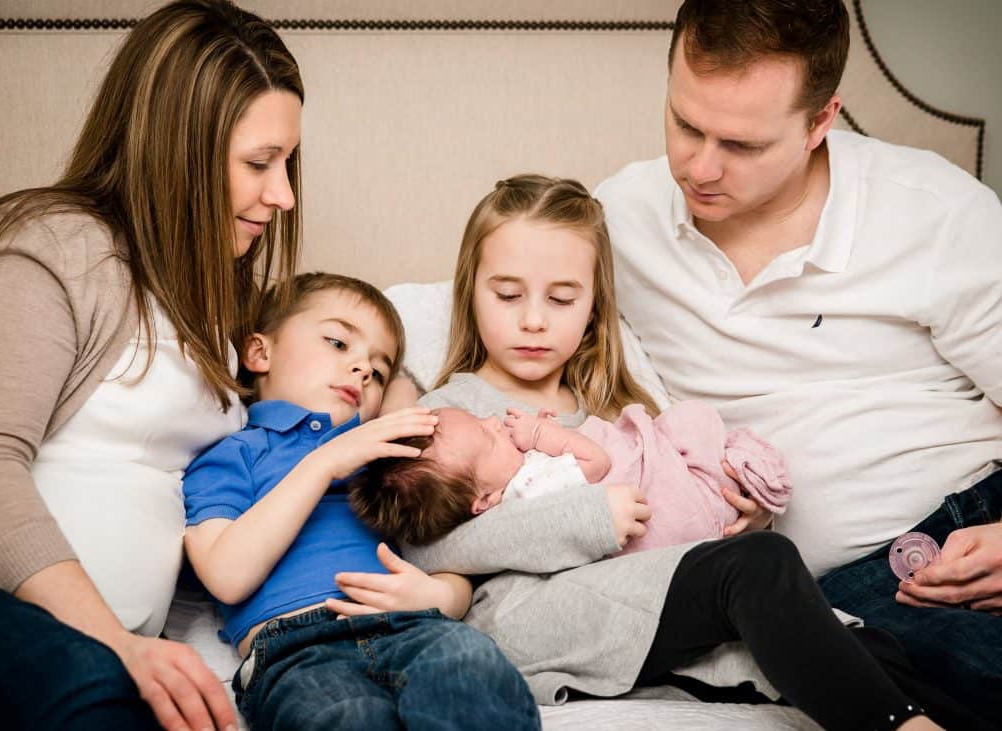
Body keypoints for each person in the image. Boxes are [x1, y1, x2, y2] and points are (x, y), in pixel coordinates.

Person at [334, 174, 991, 730]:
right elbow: (416, 537)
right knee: (758, 568)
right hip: (540, 618)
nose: (533, 319)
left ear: (593, 308)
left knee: (871, 642)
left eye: (561, 298)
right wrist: (587, 517)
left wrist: (738, 507)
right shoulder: (454, 410)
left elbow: (687, 487)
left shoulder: (618, 401)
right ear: (469, 291)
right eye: (507, 295)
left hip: (658, 599)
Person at [593, 0, 1002, 720]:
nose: (699, 165)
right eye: (685, 124)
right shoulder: (616, 222)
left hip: (972, 522)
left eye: (742, 145)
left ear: (822, 122)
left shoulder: (932, 210)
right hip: (825, 599)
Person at [0, 2, 304, 729]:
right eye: (259, 163)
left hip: (114, 650)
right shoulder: (57, 249)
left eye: (287, 164)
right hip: (22, 621)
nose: (282, 195)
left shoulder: (224, 303)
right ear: (179, 150)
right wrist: (115, 644)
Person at [181, 272, 540, 730]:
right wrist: (325, 462)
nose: (363, 370)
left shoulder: (383, 457)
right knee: (347, 718)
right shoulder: (232, 454)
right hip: (294, 650)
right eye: (337, 343)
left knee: (470, 662)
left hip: (413, 628)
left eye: (379, 369)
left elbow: (451, 553)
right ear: (259, 352)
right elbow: (226, 576)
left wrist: (441, 596)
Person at [352, 401, 791, 547]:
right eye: (489, 440)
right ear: (482, 500)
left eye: (483, 420)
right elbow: (595, 464)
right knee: (693, 418)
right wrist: (544, 433)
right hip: (657, 498)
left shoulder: (517, 479)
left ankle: (735, 477)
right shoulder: (526, 489)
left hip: (660, 487)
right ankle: (744, 472)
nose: (493, 424)